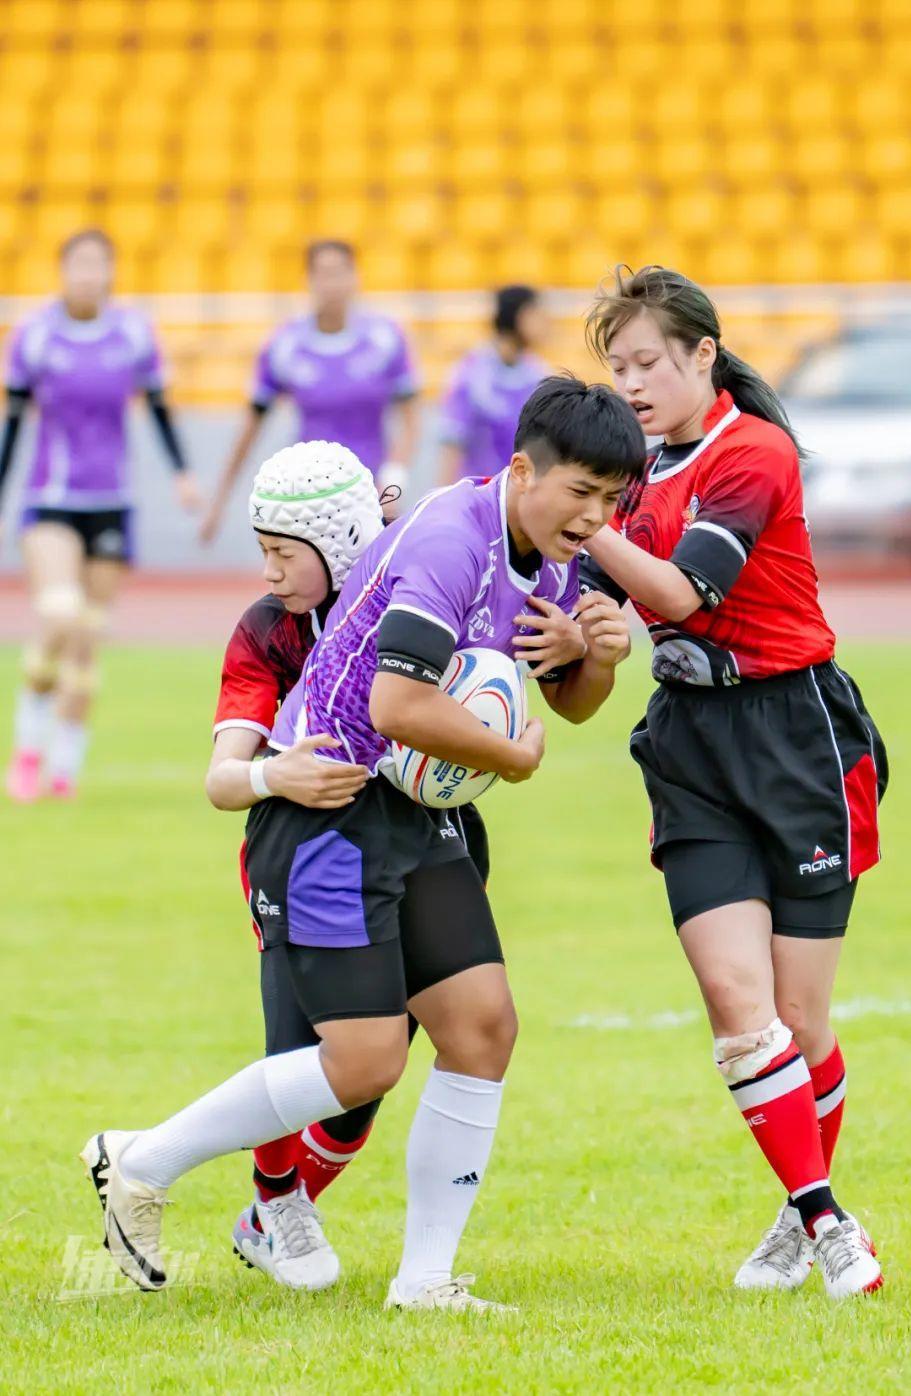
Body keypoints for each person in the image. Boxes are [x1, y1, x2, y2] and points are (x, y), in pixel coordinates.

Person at [82, 376, 645, 1312]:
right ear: (522, 470)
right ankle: (140, 1160)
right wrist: (513, 758)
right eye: (581, 492)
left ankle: (424, 1282)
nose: (595, 517)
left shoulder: (552, 557)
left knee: (483, 1028)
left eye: (611, 500)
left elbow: (570, 703)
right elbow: (398, 705)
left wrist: (599, 659)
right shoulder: (451, 540)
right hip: (326, 814)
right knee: (366, 1062)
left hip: (410, 814)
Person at [206, 439, 587, 1290]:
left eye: (284, 552)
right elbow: (221, 778)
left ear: (340, 540)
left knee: (379, 1069)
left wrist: (583, 647)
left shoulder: (423, 576)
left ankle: (285, 1205)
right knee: (312, 1050)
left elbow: (535, 664)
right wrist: (273, 774)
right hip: (310, 841)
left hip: (425, 832)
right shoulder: (265, 632)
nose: (269, 573)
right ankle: (270, 1196)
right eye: (262, 551)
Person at [583, 266, 888, 1301]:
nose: (630, 385)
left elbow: (682, 591)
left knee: (799, 1020)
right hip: (691, 744)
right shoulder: (624, 478)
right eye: (617, 369)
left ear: (703, 354)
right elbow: (577, 598)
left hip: (797, 738)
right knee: (734, 1002)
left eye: (646, 363)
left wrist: (584, 525)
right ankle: (827, 1219)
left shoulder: (752, 452)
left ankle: (800, 1219)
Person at [0, 228, 201, 801]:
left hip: (113, 502)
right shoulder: (35, 336)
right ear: (63, 272)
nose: (89, 275)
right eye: (79, 264)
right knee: (60, 616)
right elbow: (13, 422)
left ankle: (64, 770)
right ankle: (29, 747)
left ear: (111, 272)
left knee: (88, 639)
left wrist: (182, 473)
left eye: (99, 264)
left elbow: (158, 407)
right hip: (51, 500)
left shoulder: (133, 334)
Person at [199, 239, 420, 543]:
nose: (332, 284)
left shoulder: (385, 338)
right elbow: (251, 427)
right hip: (308, 497)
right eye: (323, 273)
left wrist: (393, 484)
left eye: (339, 272)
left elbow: (411, 422)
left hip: (371, 493)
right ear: (309, 279)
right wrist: (219, 503)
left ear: (355, 277)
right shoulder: (286, 345)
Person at [435, 285, 549, 487]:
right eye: (536, 314)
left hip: (520, 496)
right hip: (478, 494)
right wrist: (443, 494)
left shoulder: (539, 376)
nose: (545, 323)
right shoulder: (471, 373)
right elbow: (453, 444)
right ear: (518, 316)